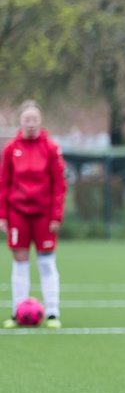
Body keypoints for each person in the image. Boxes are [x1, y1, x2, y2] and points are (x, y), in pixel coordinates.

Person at [1, 100, 67, 329]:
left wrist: (56, 215)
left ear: (40, 122)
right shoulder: (11, 149)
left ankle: (52, 312)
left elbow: (59, 183)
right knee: (19, 262)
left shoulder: (51, 148)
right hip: (18, 213)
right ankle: (18, 311)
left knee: (46, 262)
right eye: (26, 119)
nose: (30, 124)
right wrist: (3, 215)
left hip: (43, 214)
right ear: (20, 122)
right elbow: (4, 183)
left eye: (34, 119)